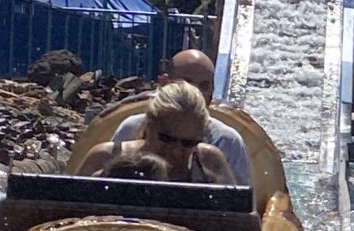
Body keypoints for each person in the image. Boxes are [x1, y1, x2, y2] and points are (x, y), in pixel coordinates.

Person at [107, 50, 252, 183]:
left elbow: (240, 205)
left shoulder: (226, 142)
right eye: (166, 138)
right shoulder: (129, 129)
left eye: (189, 143)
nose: (195, 92)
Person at [78, 81, 233, 182]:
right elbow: (66, 219)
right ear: (149, 126)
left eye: (188, 143)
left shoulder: (210, 164)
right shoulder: (104, 158)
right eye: (167, 139)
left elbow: (242, 224)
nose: (176, 152)